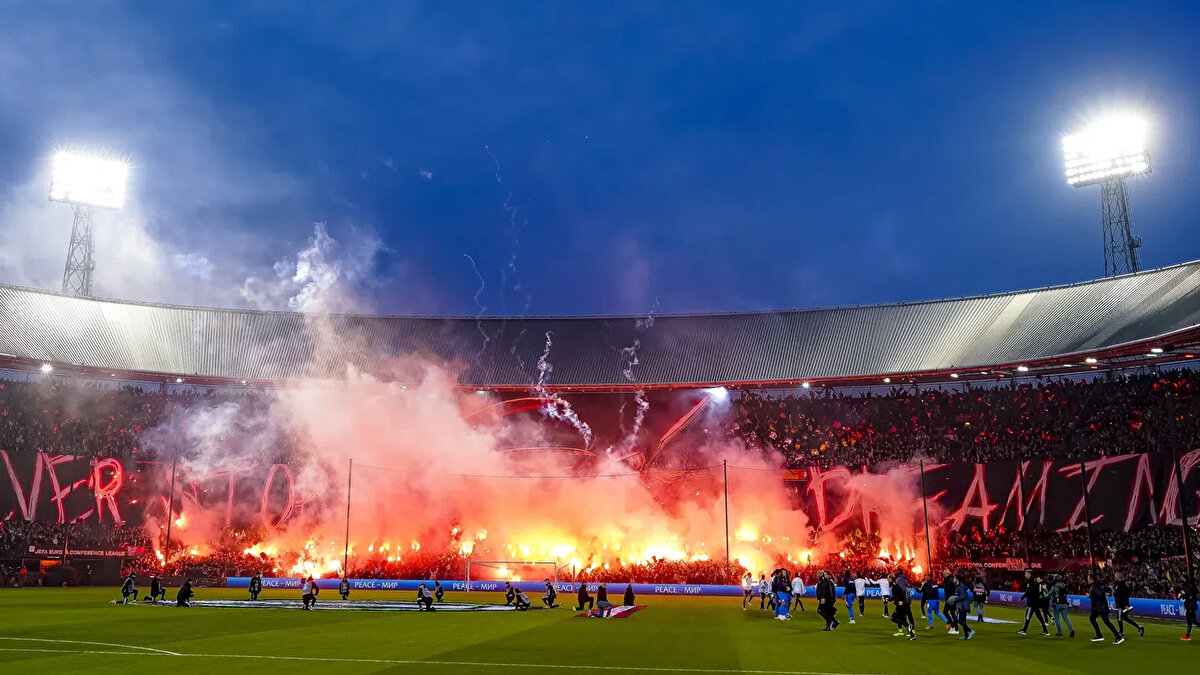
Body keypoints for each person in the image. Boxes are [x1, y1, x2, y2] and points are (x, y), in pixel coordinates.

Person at [1087, 574, 1122, 644]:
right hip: (1099, 607)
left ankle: (1118, 636)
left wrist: (1090, 596)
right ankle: (1099, 635)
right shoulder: (1096, 586)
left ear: (1091, 579)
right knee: (1092, 618)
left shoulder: (1094, 587)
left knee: (1106, 622)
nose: (1087, 580)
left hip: (1100, 607)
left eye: (1088, 579)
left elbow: (1099, 595)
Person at [1017, 569, 1049, 636]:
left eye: (1026, 573)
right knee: (1039, 616)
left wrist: (1022, 598)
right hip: (1035, 602)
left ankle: (1024, 630)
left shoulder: (1030, 582)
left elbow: (1028, 592)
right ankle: (1045, 630)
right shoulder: (1033, 581)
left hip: (1032, 602)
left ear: (1029, 574)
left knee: (1028, 616)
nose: (1024, 575)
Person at [1112, 573, 1143, 638]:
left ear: (1118, 577)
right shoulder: (1117, 584)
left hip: (1121, 604)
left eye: (1115, 576)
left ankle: (1121, 632)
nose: (1114, 577)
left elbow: (1125, 596)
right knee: (1125, 618)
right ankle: (1139, 627)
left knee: (1119, 618)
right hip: (1119, 603)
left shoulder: (1124, 586)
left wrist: (1126, 605)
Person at [889, 574, 917, 641]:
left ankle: (907, 627)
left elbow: (901, 594)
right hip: (904, 604)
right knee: (903, 618)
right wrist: (890, 599)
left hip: (902, 604)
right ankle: (912, 634)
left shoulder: (896, 586)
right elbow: (898, 595)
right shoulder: (898, 585)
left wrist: (900, 601)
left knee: (894, 618)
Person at [952, 575, 975, 640]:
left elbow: (963, 596)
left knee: (959, 620)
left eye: (954, 578)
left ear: (957, 579)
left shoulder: (960, 587)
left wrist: (955, 600)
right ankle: (966, 635)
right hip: (963, 605)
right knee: (963, 621)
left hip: (963, 605)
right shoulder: (959, 586)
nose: (953, 579)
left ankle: (970, 631)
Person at [1178, 576, 1197, 641]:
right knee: (1193, 621)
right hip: (1192, 605)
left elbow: (1187, 595)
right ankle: (1187, 635)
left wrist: (1182, 595)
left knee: (1190, 621)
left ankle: (1187, 635)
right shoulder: (1192, 586)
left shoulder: (1186, 587)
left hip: (1190, 606)